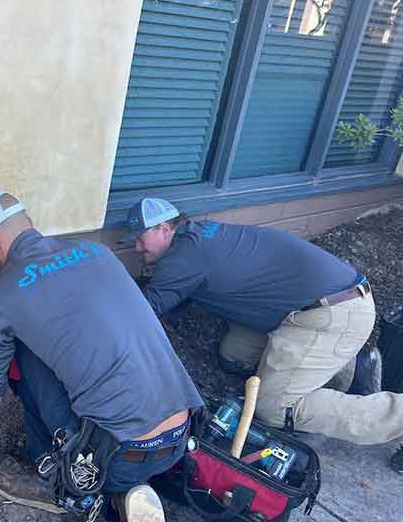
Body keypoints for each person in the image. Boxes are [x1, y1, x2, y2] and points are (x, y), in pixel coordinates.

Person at [0, 190, 203, 522]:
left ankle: (58, 475)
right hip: (181, 434)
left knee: (26, 354)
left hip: (114, 457)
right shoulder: (96, 252)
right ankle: (128, 494)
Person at [120, 197, 403, 474]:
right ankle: (352, 366)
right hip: (323, 305)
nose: (137, 247)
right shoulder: (198, 236)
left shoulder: (183, 257)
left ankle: (394, 415)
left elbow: (142, 313)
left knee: (274, 407)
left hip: (331, 316)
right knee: (235, 352)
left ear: (164, 229)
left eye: (141, 239)